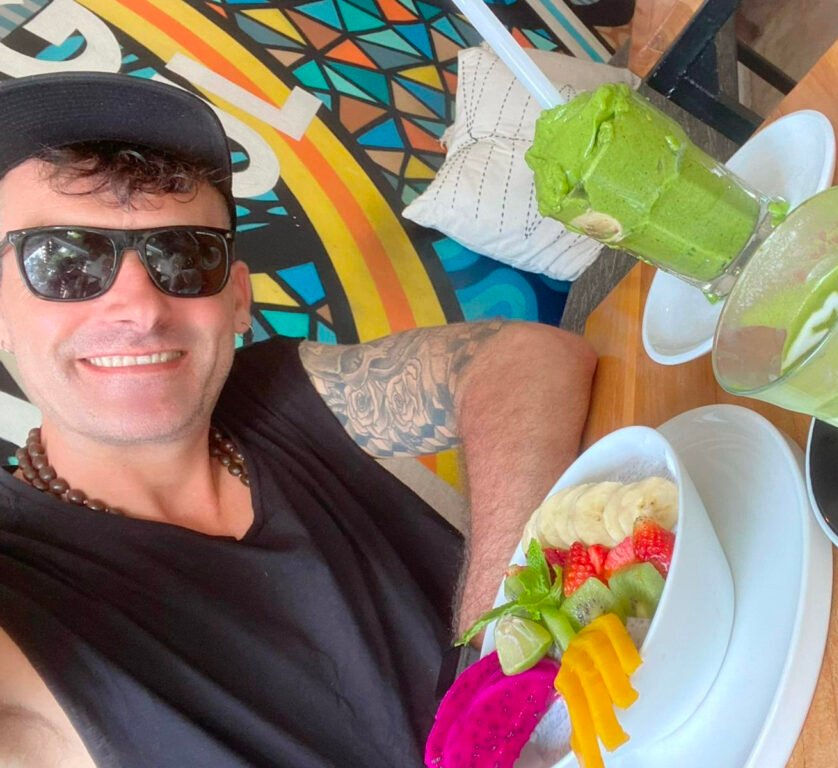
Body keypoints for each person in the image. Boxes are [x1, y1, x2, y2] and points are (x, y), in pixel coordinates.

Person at [0, 72, 596, 767]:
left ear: (238, 299)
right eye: (64, 261)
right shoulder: (21, 586)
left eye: (184, 256)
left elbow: (526, 359)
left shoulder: (279, 390)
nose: (141, 307)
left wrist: (500, 655)